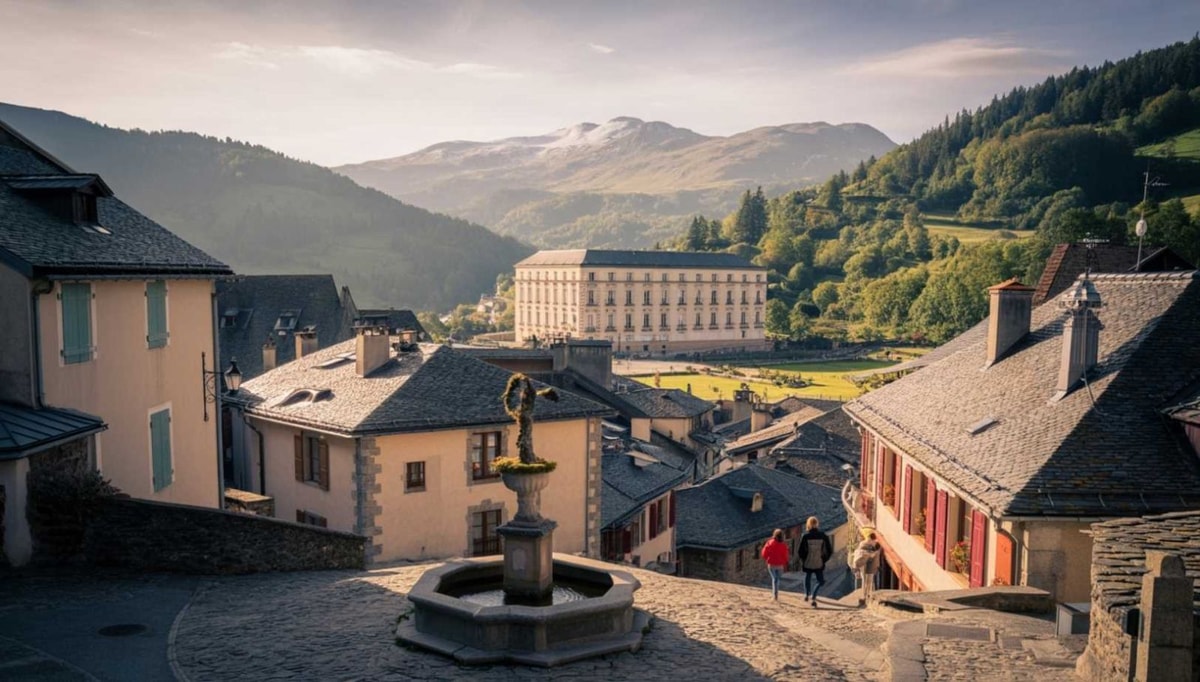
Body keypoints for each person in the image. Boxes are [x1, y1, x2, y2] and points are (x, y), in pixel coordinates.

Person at [797, 516, 833, 607]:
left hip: (808, 561)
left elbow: (800, 551)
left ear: (808, 525)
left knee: (807, 577)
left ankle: (806, 594)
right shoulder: (823, 535)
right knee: (820, 581)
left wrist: (804, 559)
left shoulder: (805, 536)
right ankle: (814, 595)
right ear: (817, 524)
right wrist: (824, 559)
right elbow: (829, 550)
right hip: (819, 562)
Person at [853, 532, 882, 606]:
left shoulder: (862, 543)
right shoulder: (875, 544)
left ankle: (864, 596)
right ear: (874, 538)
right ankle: (868, 595)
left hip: (862, 562)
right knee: (870, 580)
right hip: (870, 563)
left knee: (864, 580)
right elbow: (875, 555)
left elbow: (858, 552)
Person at [760, 529, 790, 601]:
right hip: (780, 565)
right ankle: (776, 594)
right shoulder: (783, 545)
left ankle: (775, 595)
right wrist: (785, 562)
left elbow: (764, 553)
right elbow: (786, 556)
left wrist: (767, 558)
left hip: (771, 564)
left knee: (774, 579)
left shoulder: (770, 543)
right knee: (777, 579)